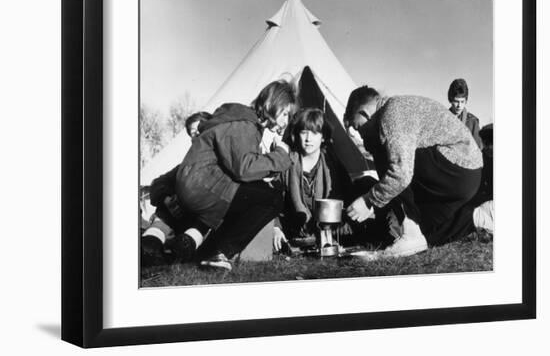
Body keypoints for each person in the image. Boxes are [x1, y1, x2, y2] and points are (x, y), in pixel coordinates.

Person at [343, 87, 493, 257]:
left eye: (358, 127)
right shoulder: (397, 110)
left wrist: (368, 200)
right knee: (426, 233)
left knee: (385, 151)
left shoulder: (392, 112)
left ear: (365, 113)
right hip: (464, 176)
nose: (360, 134)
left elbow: (401, 174)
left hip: (458, 167)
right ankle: (478, 216)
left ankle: (410, 230)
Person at [171, 80, 296, 271]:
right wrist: (280, 154)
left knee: (258, 193)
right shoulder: (245, 124)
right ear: (273, 104)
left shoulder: (239, 120)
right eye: (285, 113)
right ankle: (218, 252)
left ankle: (203, 251)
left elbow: (238, 165)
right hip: (204, 186)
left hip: (199, 183)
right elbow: (244, 169)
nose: (286, 121)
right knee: (272, 197)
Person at [273, 108, 352, 252]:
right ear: (297, 135)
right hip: (293, 230)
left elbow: (348, 196)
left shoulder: (332, 164)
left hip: (332, 230)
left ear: (323, 137)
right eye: (304, 132)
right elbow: (273, 200)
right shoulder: (286, 163)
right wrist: (276, 227)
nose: (308, 139)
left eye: (315, 133)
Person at [141, 111, 213, 267]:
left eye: (202, 130)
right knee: (157, 229)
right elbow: (158, 184)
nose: (197, 136)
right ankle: (149, 246)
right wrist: (167, 199)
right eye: (193, 134)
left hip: (199, 221)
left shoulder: (226, 163)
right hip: (173, 216)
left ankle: (180, 248)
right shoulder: (186, 165)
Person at [448, 78, 482, 148]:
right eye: (456, 101)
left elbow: (478, 150)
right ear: (451, 100)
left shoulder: (473, 122)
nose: (459, 105)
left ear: (466, 101)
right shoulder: (443, 119)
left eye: (462, 102)